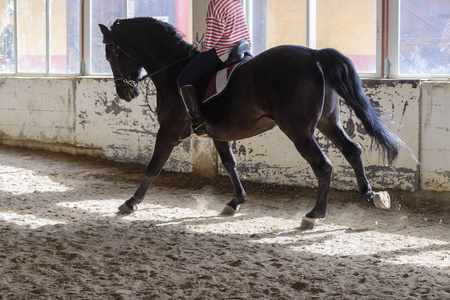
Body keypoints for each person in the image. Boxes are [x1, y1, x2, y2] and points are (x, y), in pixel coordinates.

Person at [177, 0, 252, 141]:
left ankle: (197, 124)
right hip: (241, 46)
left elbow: (212, 39)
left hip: (223, 50)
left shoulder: (215, 4)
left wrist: (199, 48)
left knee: (183, 79)